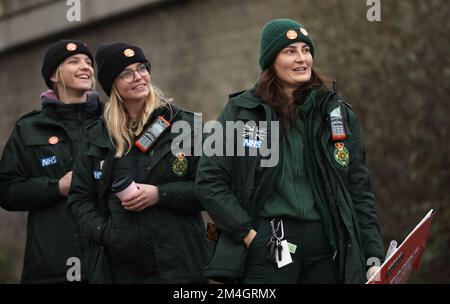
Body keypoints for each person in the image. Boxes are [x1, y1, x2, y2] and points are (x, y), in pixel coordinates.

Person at [195, 18, 385, 284]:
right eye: (290, 51)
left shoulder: (336, 113)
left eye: (305, 50)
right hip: (269, 245)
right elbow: (209, 180)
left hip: (327, 248)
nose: (301, 58)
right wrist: (249, 234)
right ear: (271, 61)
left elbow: (358, 190)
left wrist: (373, 257)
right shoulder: (241, 112)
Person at [68, 42, 207, 283]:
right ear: (112, 84)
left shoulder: (184, 124)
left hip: (179, 264)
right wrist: (106, 234)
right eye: (126, 73)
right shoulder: (97, 136)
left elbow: (210, 188)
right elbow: (80, 199)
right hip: (120, 269)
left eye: (142, 68)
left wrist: (160, 194)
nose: (139, 77)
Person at [0, 39, 103, 283]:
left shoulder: (111, 123)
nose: (86, 67)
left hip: (111, 265)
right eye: (74, 61)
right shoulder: (29, 128)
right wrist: (56, 187)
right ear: (54, 75)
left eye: (89, 62)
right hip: (52, 267)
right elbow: (5, 190)